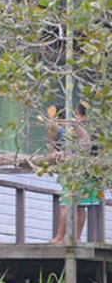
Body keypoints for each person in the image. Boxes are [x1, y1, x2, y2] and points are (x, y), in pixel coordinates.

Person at [48, 103, 100, 243]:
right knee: (80, 205)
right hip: (89, 169)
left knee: (66, 204)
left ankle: (59, 237)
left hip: (76, 169)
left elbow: (51, 147)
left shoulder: (73, 125)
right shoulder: (92, 127)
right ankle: (76, 238)